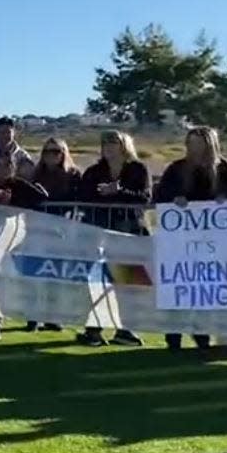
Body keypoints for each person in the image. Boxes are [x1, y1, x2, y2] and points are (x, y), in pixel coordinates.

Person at [156, 126, 227, 351]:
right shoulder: (176, 168)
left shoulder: (223, 168)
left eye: (199, 143)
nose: (194, 147)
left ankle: (201, 335)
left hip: (211, 240)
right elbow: (160, 194)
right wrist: (175, 198)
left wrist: (222, 199)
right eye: (190, 143)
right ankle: (173, 336)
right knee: (178, 285)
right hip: (180, 238)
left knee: (202, 288)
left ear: (210, 144)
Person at [75, 130, 150, 348]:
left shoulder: (137, 169)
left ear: (124, 145)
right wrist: (103, 193)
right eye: (105, 143)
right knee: (98, 280)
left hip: (129, 232)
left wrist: (118, 191)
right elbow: (83, 195)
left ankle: (125, 329)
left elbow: (145, 197)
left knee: (127, 282)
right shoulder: (94, 171)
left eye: (114, 142)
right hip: (99, 232)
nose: (108, 146)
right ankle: (93, 330)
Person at [0, 152, 49, 340]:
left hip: (14, 241)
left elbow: (42, 197)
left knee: (7, 280)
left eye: (7, 166)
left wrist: (13, 202)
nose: (3, 170)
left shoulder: (18, 185)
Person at [27, 137, 82, 332]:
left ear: (64, 153)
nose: (52, 156)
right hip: (38, 229)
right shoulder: (36, 174)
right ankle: (33, 316)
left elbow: (78, 199)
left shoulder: (74, 175)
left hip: (63, 230)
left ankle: (53, 316)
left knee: (56, 275)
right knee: (36, 274)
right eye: (48, 151)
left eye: (56, 152)